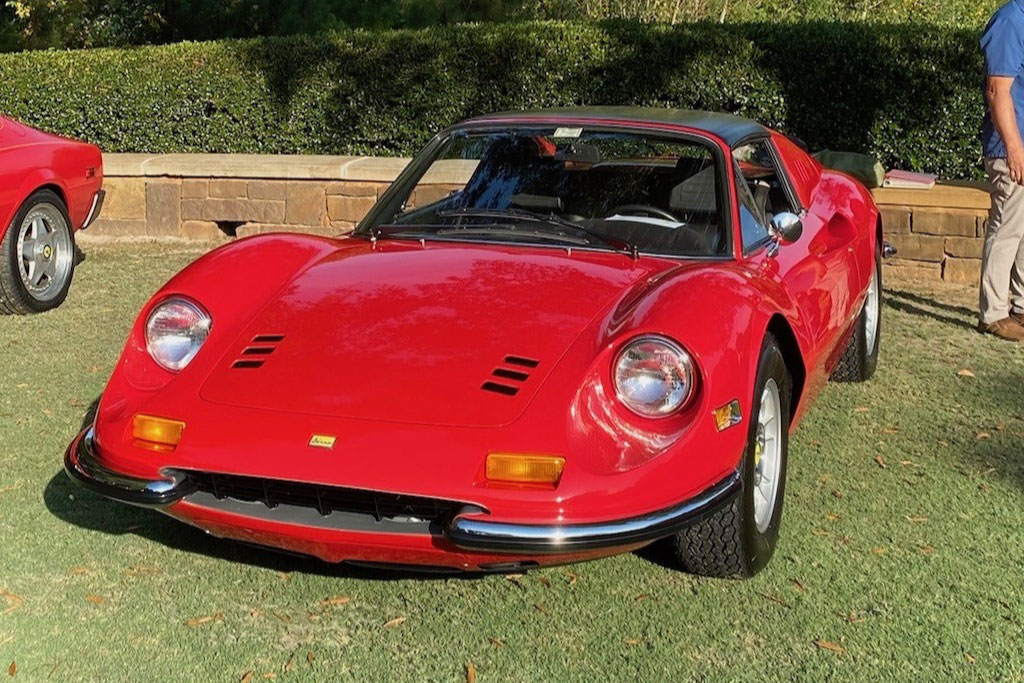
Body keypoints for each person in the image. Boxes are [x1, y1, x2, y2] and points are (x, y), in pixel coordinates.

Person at [980, 0, 1024, 341]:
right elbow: (998, 89)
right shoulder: (1011, 20)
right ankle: (993, 312)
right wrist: (1014, 148)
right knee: (1007, 227)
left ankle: (1021, 306)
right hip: (1012, 148)